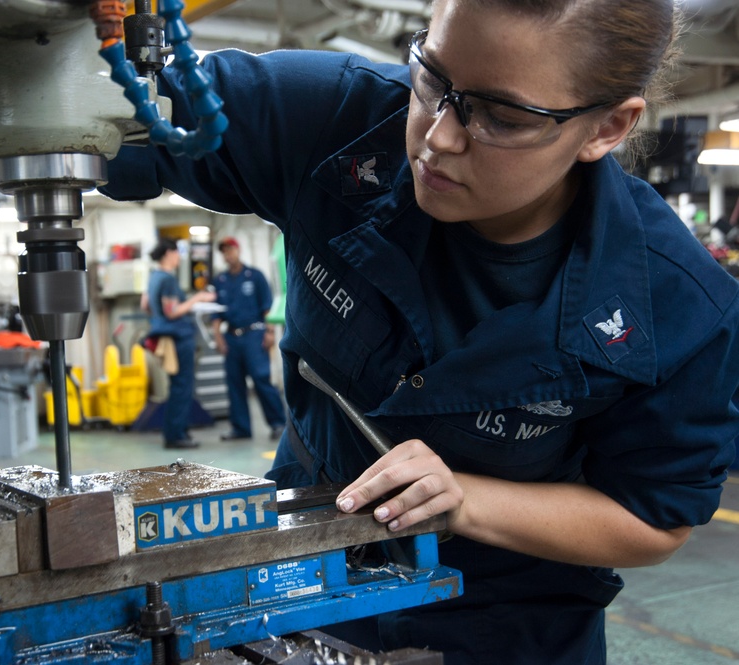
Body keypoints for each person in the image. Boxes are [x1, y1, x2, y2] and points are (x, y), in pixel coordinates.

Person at [101, 0, 739, 662]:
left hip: (504, 622)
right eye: (432, 79)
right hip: (299, 575)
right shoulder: (333, 123)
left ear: (606, 126)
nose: (437, 137)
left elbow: (650, 519)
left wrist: (465, 500)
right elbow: (110, 107)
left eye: (501, 117)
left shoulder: (676, 304)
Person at [211, 236, 287, 441]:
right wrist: (218, 337)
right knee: (234, 382)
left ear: (238, 250)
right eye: (224, 252)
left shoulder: (255, 276)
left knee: (261, 378)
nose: (228, 254)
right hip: (232, 337)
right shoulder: (220, 281)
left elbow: (268, 307)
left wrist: (270, 332)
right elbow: (216, 314)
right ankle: (241, 428)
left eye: (230, 250)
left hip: (254, 334)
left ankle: (278, 423)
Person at [143, 237, 217, 449]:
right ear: (169, 253)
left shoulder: (154, 277)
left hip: (165, 334)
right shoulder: (167, 279)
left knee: (177, 385)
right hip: (178, 337)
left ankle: (177, 430)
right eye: (177, 254)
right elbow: (172, 311)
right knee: (182, 386)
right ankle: (176, 435)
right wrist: (198, 299)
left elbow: (146, 304)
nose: (179, 258)